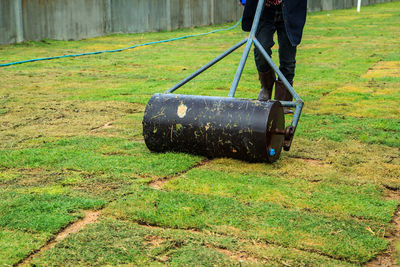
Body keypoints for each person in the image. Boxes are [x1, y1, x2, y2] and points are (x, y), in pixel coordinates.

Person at [240, 0, 307, 113]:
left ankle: (283, 99)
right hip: (264, 11)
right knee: (261, 49)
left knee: (288, 59)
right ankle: (266, 87)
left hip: (290, 10)